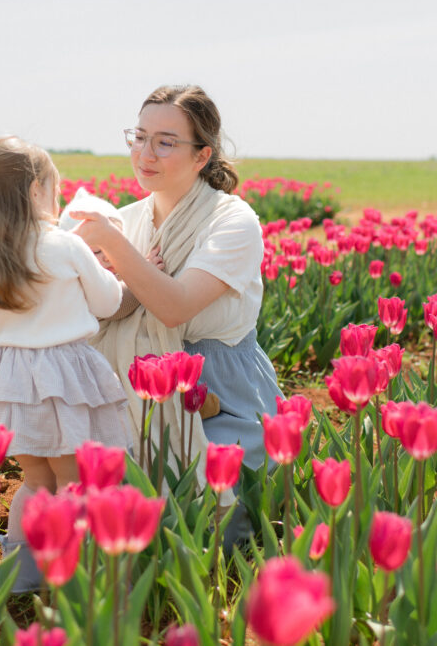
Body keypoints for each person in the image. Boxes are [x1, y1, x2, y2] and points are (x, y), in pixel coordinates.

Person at [73, 85, 283, 538]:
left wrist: (113, 247)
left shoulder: (233, 222)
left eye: (166, 142)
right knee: (100, 521)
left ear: (202, 155)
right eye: (140, 136)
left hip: (220, 392)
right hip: (133, 394)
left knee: (205, 527)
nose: (146, 153)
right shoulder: (126, 219)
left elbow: (174, 307)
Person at [0, 136, 132, 591]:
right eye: (55, 188)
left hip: (9, 381)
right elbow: (108, 301)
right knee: (72, 481)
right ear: (36, 191)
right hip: (64, 378)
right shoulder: (65, 246)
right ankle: (74, 578)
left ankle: (22, 574)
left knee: (34, 481)